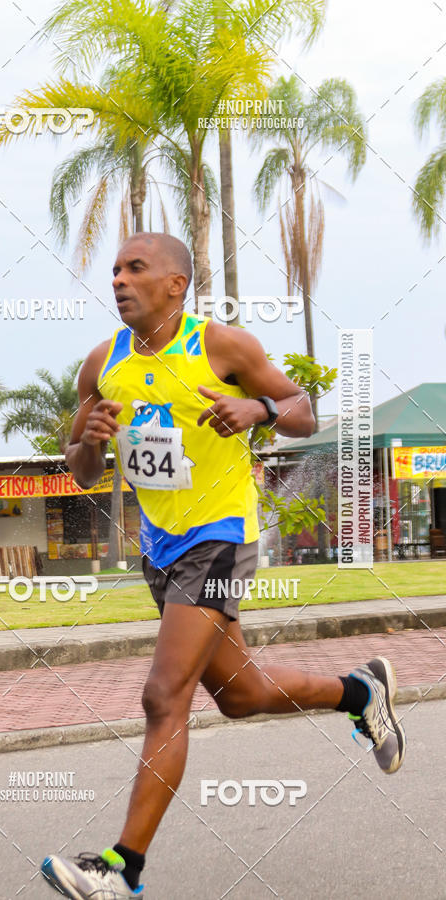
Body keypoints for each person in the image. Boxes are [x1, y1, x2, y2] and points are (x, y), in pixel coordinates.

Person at [41, 233, 405, 899]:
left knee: (163, 693)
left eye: (135, 268)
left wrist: (257, 409)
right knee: (241, 696)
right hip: (161, 546)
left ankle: (122, 869)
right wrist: (87, 444)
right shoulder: (102, 363)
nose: (118, 279)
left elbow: (301, 409)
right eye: (114, 270)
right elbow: (82, 466)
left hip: (222, 535)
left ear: (176, 285)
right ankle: (362, 692)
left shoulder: (221, 347)